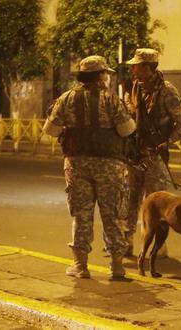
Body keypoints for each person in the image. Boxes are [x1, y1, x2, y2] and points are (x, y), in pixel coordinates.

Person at [43, 55, 136, 280]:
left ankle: (80, 266)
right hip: (109, 165)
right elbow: (127, 130)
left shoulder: (66, 99)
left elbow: (51, 130)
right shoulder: (112, 100)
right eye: (105, 73)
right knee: (111, 215)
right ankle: (117, 267)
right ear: (99, 76)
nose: (107, 77)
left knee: (81, 215)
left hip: (77, 164)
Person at [124, 48, 181, 257]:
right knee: (129, 200)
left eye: (137, 65)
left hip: (155, 157)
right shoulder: (134, 88)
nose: (133, 69)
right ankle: (124, 243)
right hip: (135, 155)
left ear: (148, 67)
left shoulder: (167, 91)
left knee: (158, 205)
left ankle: (158, 247)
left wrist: (165, 142)